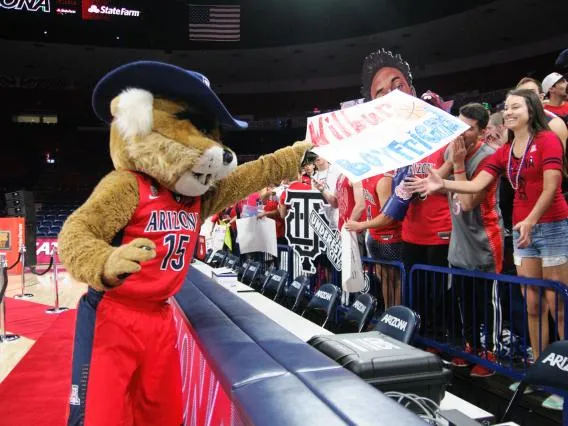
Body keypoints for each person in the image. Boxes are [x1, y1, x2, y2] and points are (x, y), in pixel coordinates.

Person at [406, 89, 568, 409]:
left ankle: (563, 378)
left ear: (532, 109)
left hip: (550, 226)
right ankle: (539, 373)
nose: (508, 112)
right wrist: (442, 183)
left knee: (557, 305)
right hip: (524, 230)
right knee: (533, 303)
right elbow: (475, 185)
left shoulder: (547, 139)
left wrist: (532, 220)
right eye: (506, 107)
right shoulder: (505, 149)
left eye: (515, 106)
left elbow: (552, 187)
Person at [360, 49, 452, 336]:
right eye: (382, 92)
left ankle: (444, 342)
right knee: (416, 296)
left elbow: (460, 182)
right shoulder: (394, 149)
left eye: (399, 86)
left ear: (412, 90)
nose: (393, 95)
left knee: (440, 297)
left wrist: (440, 181)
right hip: (410, 235)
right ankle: (417, 338)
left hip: (441, 234)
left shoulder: (446, 137)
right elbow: (394, 202)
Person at [440, 103, 504, 377]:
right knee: (463, 299)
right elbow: (434, 182)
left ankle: (491, 353)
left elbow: (466, 202)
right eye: (457, 125)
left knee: (486, 302)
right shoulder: (451, 148)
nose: (460, 133)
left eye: (467, 129)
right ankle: (471, 347)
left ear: (481, 131)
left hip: (484, 240)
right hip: (459, 240)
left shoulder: (489, 157)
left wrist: (457, 165)